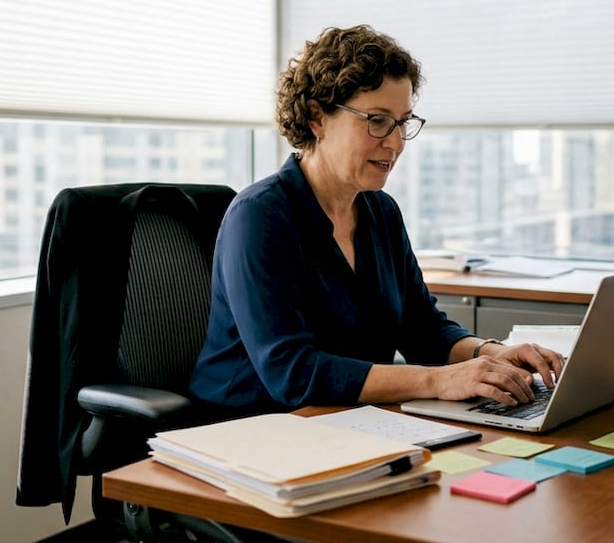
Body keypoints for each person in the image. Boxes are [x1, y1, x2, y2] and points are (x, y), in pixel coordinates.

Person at [190, 24, 564, 414]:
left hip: (347, 419)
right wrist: (439, 380)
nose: (397, 142)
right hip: (248, 430)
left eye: (403, 122)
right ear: (318, 118)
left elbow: (424, 330)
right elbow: (293, 373)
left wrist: (494, 354)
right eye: (378, 120)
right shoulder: (260, 217)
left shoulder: (380, 212)